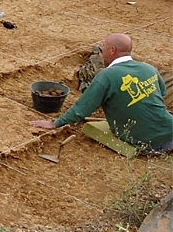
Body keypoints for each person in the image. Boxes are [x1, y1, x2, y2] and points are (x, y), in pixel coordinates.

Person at [30, 33, 173, 154]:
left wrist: (55, 123)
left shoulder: (107, 75)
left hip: (146, 143)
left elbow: (83, 108)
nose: (101, 49)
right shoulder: (148, 68)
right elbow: (162, 92)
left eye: (103, 46)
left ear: (112, 50)